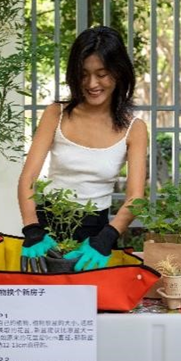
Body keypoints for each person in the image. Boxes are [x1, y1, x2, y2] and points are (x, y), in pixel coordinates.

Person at [17, 26, 147, 272]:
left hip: (97, 236)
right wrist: (32, 229)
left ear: (118, 73)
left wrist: (107, 238)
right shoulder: (56, 114)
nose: (92, 83)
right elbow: (28, 177)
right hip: (47, 230)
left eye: (102, 74)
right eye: (83, 74)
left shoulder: (134, 128)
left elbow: (136, 198)